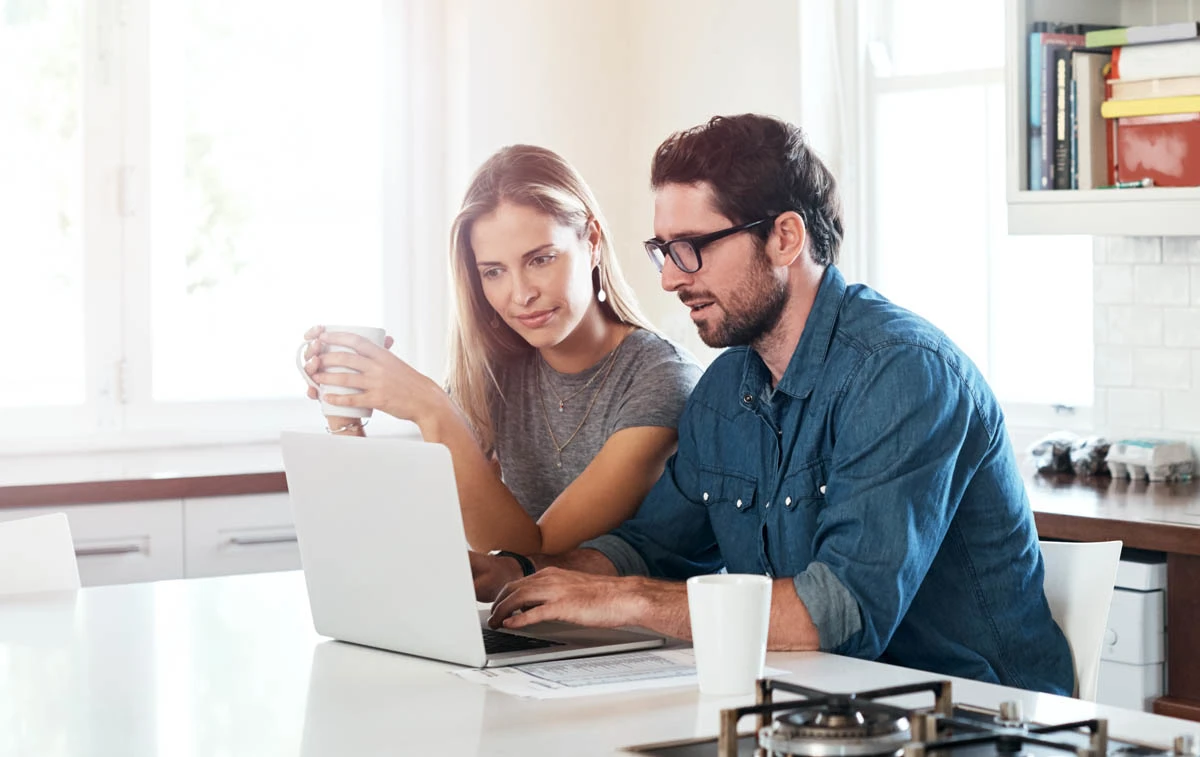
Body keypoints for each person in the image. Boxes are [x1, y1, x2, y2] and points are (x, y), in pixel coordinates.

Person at [470, 115, 1075, 695]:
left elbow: (837, 614)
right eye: (664, 249)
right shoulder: (726, 391)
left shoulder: (904, 374)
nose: (671, 279)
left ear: (785, 237)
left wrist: (625, 599)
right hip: (817, 706)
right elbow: (651, 548)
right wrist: (521, 572)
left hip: (977, 716)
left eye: (693, 247)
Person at [300, 145, 701, 556]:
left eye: (541, 259)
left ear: (592, 241)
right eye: (494, 272)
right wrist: (345, 415)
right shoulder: (494, 374)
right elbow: (415, 535)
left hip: (627, 619)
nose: (521, 294)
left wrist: (432, 409)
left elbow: (532, 556)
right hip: (518, 619)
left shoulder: (662, 379)